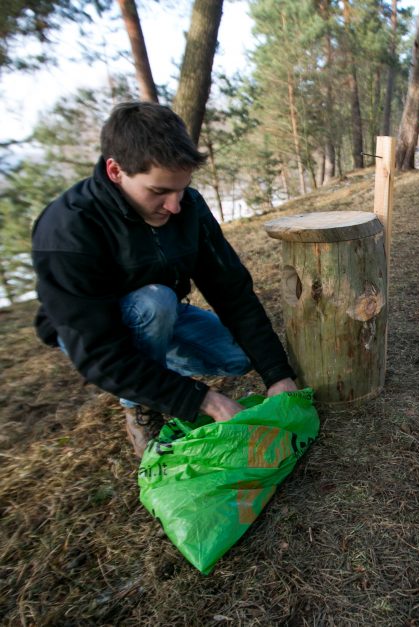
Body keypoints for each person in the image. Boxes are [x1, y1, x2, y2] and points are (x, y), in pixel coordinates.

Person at [31, 102, 298, 457]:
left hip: (165, 313)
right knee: (153, 303)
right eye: (158, 192)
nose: (174, 206)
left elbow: (232, 292)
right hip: (97, 331)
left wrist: (277, 375)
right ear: (115, 170)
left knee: (237, 357)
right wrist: (203, 399)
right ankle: (139, 405)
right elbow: (97, 353)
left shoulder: (187, 206)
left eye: (181, 189)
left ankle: (151, 366)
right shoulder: (66, 229)